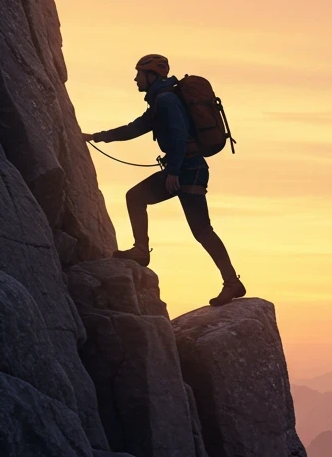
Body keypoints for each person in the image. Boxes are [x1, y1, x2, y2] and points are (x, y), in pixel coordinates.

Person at [83, 54, 246, 306]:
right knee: (146, 202)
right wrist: (96, 136)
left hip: (187, 169)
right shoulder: (160, 102)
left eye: (139, 73)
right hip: (188, 168)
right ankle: (142, 251)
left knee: (198, 227)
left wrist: (173, 172)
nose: (135, 78)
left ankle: (230, 282)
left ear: (152, 76)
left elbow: (179, 137)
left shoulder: (167, 100)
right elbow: (133, 128)